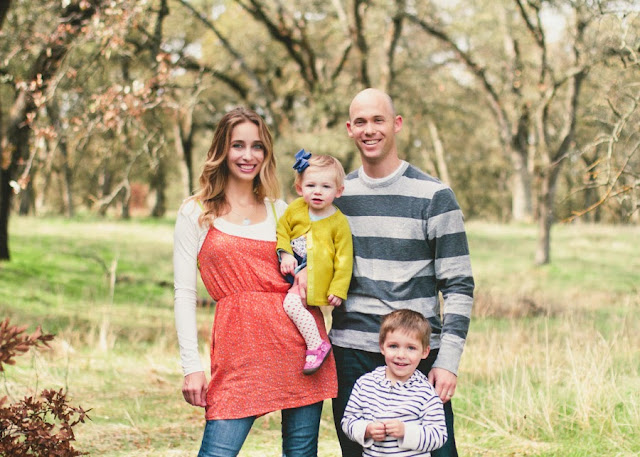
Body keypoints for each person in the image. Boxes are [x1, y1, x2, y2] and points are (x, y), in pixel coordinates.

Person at [173, 107, 337, 457]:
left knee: (301, 452)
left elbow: (317, 261)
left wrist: (310, 271)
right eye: (238, 145)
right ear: (222, 149)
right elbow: (184, 294)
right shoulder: (196, 212)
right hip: (238, 352)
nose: (248, 156)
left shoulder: (282, 210)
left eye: (257, 146)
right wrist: (191, 367)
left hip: (300, 348)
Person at [331, 88, 475, 457]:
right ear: (349, 128)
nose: (369, 129)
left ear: (396, 124)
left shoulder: (435, 196)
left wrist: (448, 361)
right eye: (360, 122)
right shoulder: (337, 198)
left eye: (378, 120)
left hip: (418, 355)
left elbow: (458, 285)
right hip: (352, 354)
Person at [276, 151, 353, 375]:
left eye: (326, 187)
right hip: (293, 269)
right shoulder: (295, 209)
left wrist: (338, 288)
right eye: (311, 185)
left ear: (339, 191)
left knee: (291, 305)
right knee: (290, 307)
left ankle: (316, 344)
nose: (317, 191)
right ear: (300, 188)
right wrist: (285, 254)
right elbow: (282, 231)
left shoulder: (338, 222)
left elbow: (344, 258)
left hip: (318, 276)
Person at [341, 309, 448, 456]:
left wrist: (405, 431)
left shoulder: (425, 391)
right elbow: (348, 422)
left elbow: (438, 435)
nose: (401, 355)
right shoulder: (365, 384)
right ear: (382, 347)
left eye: (411, 348)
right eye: (393, 346)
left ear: (424, 352)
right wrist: (367, 429)